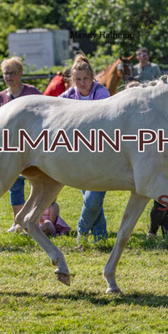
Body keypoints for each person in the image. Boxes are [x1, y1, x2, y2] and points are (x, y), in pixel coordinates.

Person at [59, 53, 111, 242]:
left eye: (86, 78)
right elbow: (54, 109)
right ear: (73, 80)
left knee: (93, 199)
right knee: (91, 199)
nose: (82, 83)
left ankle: (81, 230)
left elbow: (104, 118)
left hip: (100, 153)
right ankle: (100, 236)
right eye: (78, 79)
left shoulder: (102, 93)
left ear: (92, 78)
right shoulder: (69, 95)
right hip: (78, 155)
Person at [0, 57, 42, 232]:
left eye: (13, 73)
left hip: (33, 147)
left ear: (21, 74)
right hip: (12, 148)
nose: (9, 76)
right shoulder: (0, 97)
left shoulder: (32, 93)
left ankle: (35, 219)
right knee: (14, 186)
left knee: (38, 184)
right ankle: (17, 222)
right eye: (6, 73)